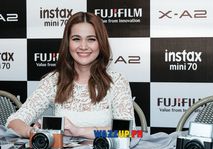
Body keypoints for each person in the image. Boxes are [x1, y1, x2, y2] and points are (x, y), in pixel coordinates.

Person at [6, 12, 134, 139]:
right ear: (68, 43)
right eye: (76, 39)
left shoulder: (116, 81)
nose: (83, 46)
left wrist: (79, 131)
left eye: (91, 39)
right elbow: (13, 122)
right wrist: (33, 133)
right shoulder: (53, 81)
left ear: (101, 43)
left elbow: (128, 132)